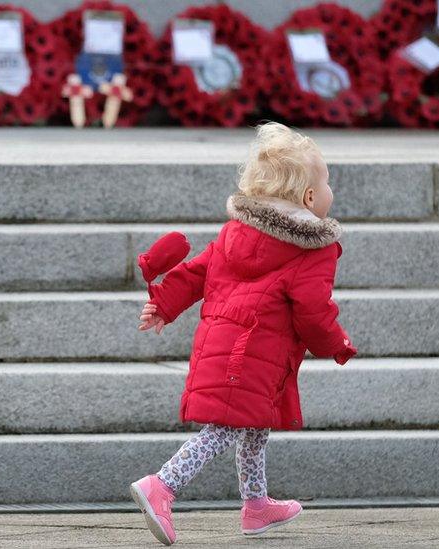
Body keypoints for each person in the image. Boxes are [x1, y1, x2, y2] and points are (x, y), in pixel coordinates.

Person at [130, 122, 357, 545]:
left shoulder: (237, 232)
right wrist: (336, 343)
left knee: (255, 425)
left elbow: (198, 270)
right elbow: (312, 309)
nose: (330, 189)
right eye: (327, 181)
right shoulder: (314, 249)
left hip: (224, 343)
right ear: (310, 198)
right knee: (225, 428)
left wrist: (164, 303)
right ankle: (162, 485)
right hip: (254, 353)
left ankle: (256, 505)